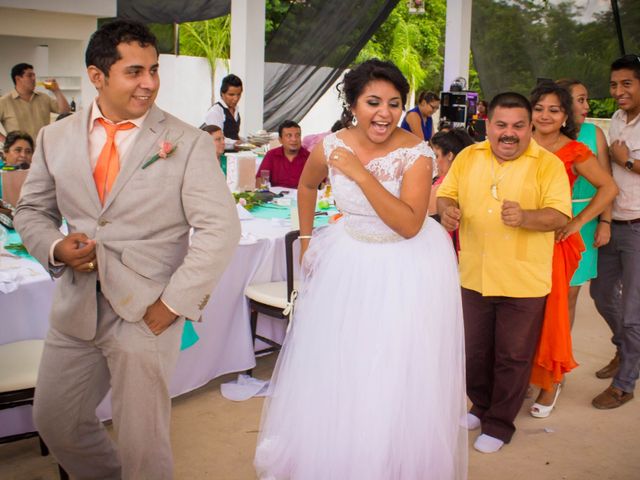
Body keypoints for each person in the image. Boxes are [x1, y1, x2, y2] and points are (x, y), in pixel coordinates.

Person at [14, 20, 240, 479]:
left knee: (143, 442)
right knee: (56, 420)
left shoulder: (187, 142)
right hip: (76, 305)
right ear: (97, 76)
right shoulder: (53, 137)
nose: (150, 83)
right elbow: (30, 211)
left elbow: (221, 229)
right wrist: (56, 247)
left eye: (154, 70)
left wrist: (173, 303)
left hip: (147, 311)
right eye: (135, 72)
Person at [254, 59, 467, 479]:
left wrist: (359, 173)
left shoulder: (417, 153)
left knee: (393, 368)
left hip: (405, 267)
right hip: (348, 261)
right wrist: (308, 239)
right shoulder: (330, 144)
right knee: (341, 363)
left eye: (393, 102)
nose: (384, 112)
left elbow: (408, 224)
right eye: (373, 102)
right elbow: (307, 185)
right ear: (353, 104)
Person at [437, 92, 572, 453]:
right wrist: (448, 210)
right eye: (501, 125)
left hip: (523, 281)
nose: (508, 133)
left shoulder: (548, 164)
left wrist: (526, 217)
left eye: (517, 126)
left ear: (529, 127)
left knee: (512, 356)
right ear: (487, 125)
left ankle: (499, 423)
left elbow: (561, 215)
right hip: (474, 275)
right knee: (475, 352)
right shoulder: (468, 156)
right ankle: (480, 407)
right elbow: (446, 195)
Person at [528, 82, 618, 418]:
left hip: (555, 241)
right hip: (521, 239)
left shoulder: (575, 149)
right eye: (539, 108)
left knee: (555, 312)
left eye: (554, 109)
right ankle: (529, 371)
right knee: (525, 311)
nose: (546, 115)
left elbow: (608, 187)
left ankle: (552, 380)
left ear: (565, 115)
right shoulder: (519, 141)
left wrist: (579, 222)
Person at [590, 54, 640, 410]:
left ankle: (625, 384)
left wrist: (628, 161)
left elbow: (622, 163)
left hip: (638, 227)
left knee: (633, 310)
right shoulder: (618, 120)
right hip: (612, 221)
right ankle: (625, 350)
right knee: (601, 293)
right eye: (614, 84)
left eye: (626, 83)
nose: (618, 91)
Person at [556, 78, 614, 360]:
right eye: (580, 99)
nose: (586, 105)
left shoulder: (594, 134)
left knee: (570, 296)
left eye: (585, 99)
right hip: (548, 220)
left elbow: (607, 180)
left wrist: (605, 221)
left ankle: (560, 360)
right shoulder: (541, 133)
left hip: (585, 220)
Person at [0, 63, 70, 142]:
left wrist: (56, 91)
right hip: (20, 153)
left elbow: (65, 112)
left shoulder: (44, 97)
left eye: (34, 75)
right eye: (29, 76)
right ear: (18, 79)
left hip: (44, 150)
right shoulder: (4, 102)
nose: (34, 78)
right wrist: (6, 142)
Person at [428, 128, 474, 215]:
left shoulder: (443, 186)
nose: (433, 161)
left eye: (436, 155)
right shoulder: (469, 180)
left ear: (450, 155)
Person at [255, 120, 310, 189]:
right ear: (280, 140)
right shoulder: (271, 155)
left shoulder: (309, 157)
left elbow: (321, 183)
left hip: (302, 197)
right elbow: (260, 179)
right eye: (289, 136)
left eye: (297, 135)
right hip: (276, 197)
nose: (294, 139)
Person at [203, 74, 243, 151]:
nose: (236, 98)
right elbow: (216, 138)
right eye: (231, 95)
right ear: (222, 93)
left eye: (239, 94)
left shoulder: (236, 110)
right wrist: (235, 143)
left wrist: (247, 141)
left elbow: (233, 135)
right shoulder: (215, 112)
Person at [1, 131, 34, 206]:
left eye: (28, 151)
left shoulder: (40, 178)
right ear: (5, 153)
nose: (23, 155)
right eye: (18, 150)